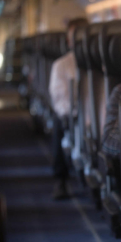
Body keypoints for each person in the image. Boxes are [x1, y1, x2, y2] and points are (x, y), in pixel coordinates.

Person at [49, 17, 88, 199]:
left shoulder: (105, 63)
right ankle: (60, 179)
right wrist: (80, 115)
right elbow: (61, 102)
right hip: (74, 117)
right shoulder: (61, 65)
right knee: (58, 121)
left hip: (98, 118)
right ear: (69, 41)